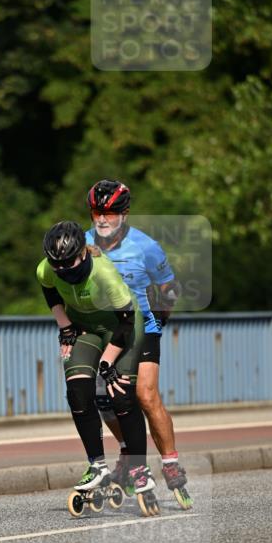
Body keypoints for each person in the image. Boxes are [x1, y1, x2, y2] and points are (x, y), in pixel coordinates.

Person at [84, 179, 191, 506]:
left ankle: (170, 463)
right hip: (107, 331)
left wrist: (160, 320)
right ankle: (129, 451)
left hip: (143, 326)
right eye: (96, 212)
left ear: (125, 213)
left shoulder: (146, 246)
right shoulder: (84, 242)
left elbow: (170, 289)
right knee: (104, 398)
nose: (101, 219)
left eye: (109, 213)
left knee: (144, 395)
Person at [37, 219, 157, 502]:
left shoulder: (104, 274)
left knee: (121, 395)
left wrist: (107, 362)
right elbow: (50, 292)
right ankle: (97, 465)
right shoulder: (45, 268)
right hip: (84, 327)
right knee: (77, 392)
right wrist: (65, 326)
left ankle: (140, 468)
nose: (64, 270)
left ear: (83, 254)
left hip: (121, 327)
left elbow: (128, 321)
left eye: (70, 263)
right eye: (58, 265)